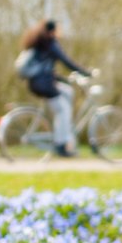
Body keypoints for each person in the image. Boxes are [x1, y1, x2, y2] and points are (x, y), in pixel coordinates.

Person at [20, 20, 91, 157]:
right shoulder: (51, 43)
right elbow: (66, 61)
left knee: (67, 91)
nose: (61, 31)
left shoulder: (40, 44)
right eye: (59, 29)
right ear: (53, 30)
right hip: (45, 85)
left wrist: (64, 80)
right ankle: (61, 144)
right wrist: (85, 72)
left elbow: (46, 69)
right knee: (63, 110)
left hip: (37, 83)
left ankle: (65, 137)